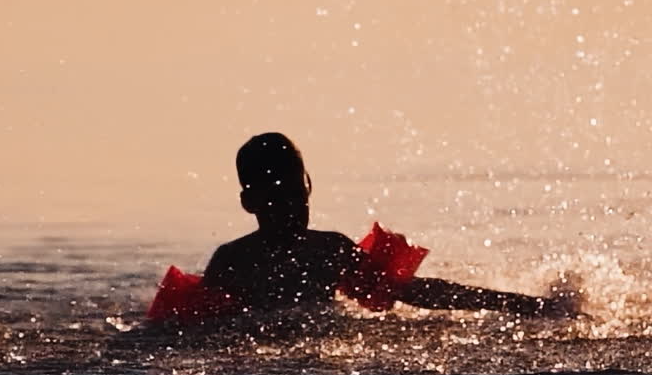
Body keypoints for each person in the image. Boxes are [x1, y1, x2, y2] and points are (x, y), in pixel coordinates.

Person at [197, 132, 572, 319]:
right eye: (278, 198)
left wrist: (516, 304)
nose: (291, 208)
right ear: (250, 203)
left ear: (309, 190)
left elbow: (413, 292)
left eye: (297, 195)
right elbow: (196, 325)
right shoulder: (233, 261)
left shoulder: (328, 250)